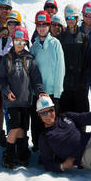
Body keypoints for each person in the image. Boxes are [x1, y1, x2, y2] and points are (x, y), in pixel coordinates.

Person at [0, 26, 47, 169]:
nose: (19, 44)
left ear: (26, 42)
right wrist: (7, 91)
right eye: (17, 41)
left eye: (22, 42)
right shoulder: (7, 59)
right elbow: (0, 79)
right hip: (11, 101)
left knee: (23, 128)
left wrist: (40, 92)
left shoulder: (29, 58)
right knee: (14, 128)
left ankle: (22, 154)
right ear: (12, 40)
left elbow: (36, 79)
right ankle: (8, 155)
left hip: (25, 101)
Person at [29, 10, 65, 151]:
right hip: (37, 93)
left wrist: (57, 92)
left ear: (49, 26)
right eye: (39, 24)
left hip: (51, 91)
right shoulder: (34, 47)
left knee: (51, 122)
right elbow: (31, 71)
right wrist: (33, 91)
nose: (42, 27)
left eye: (45, 24)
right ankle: (38, 147)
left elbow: (60, 68)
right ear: (36, 27)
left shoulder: (55, 44)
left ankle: (52, 149)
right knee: (37, 122)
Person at [0, 10, 22, 145]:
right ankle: (12, 145)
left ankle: (19, 143)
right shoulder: (3, 41)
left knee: (20, 117)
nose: (12, 26)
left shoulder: (22, 40)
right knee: (8, 114)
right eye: (10, 23)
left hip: (20, 86)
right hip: (6, 86)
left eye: (15, 23)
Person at [57, 4, 91, 117]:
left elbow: (87, 61)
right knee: (66, 117)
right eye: (67, 18)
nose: (70, 20)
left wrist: (84, 80)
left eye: (72, 17)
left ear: (77, 18)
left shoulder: (84, 37)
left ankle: (82, 135)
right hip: (65, 86)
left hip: (80, 85)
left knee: (82, 116)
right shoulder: (60, 38)